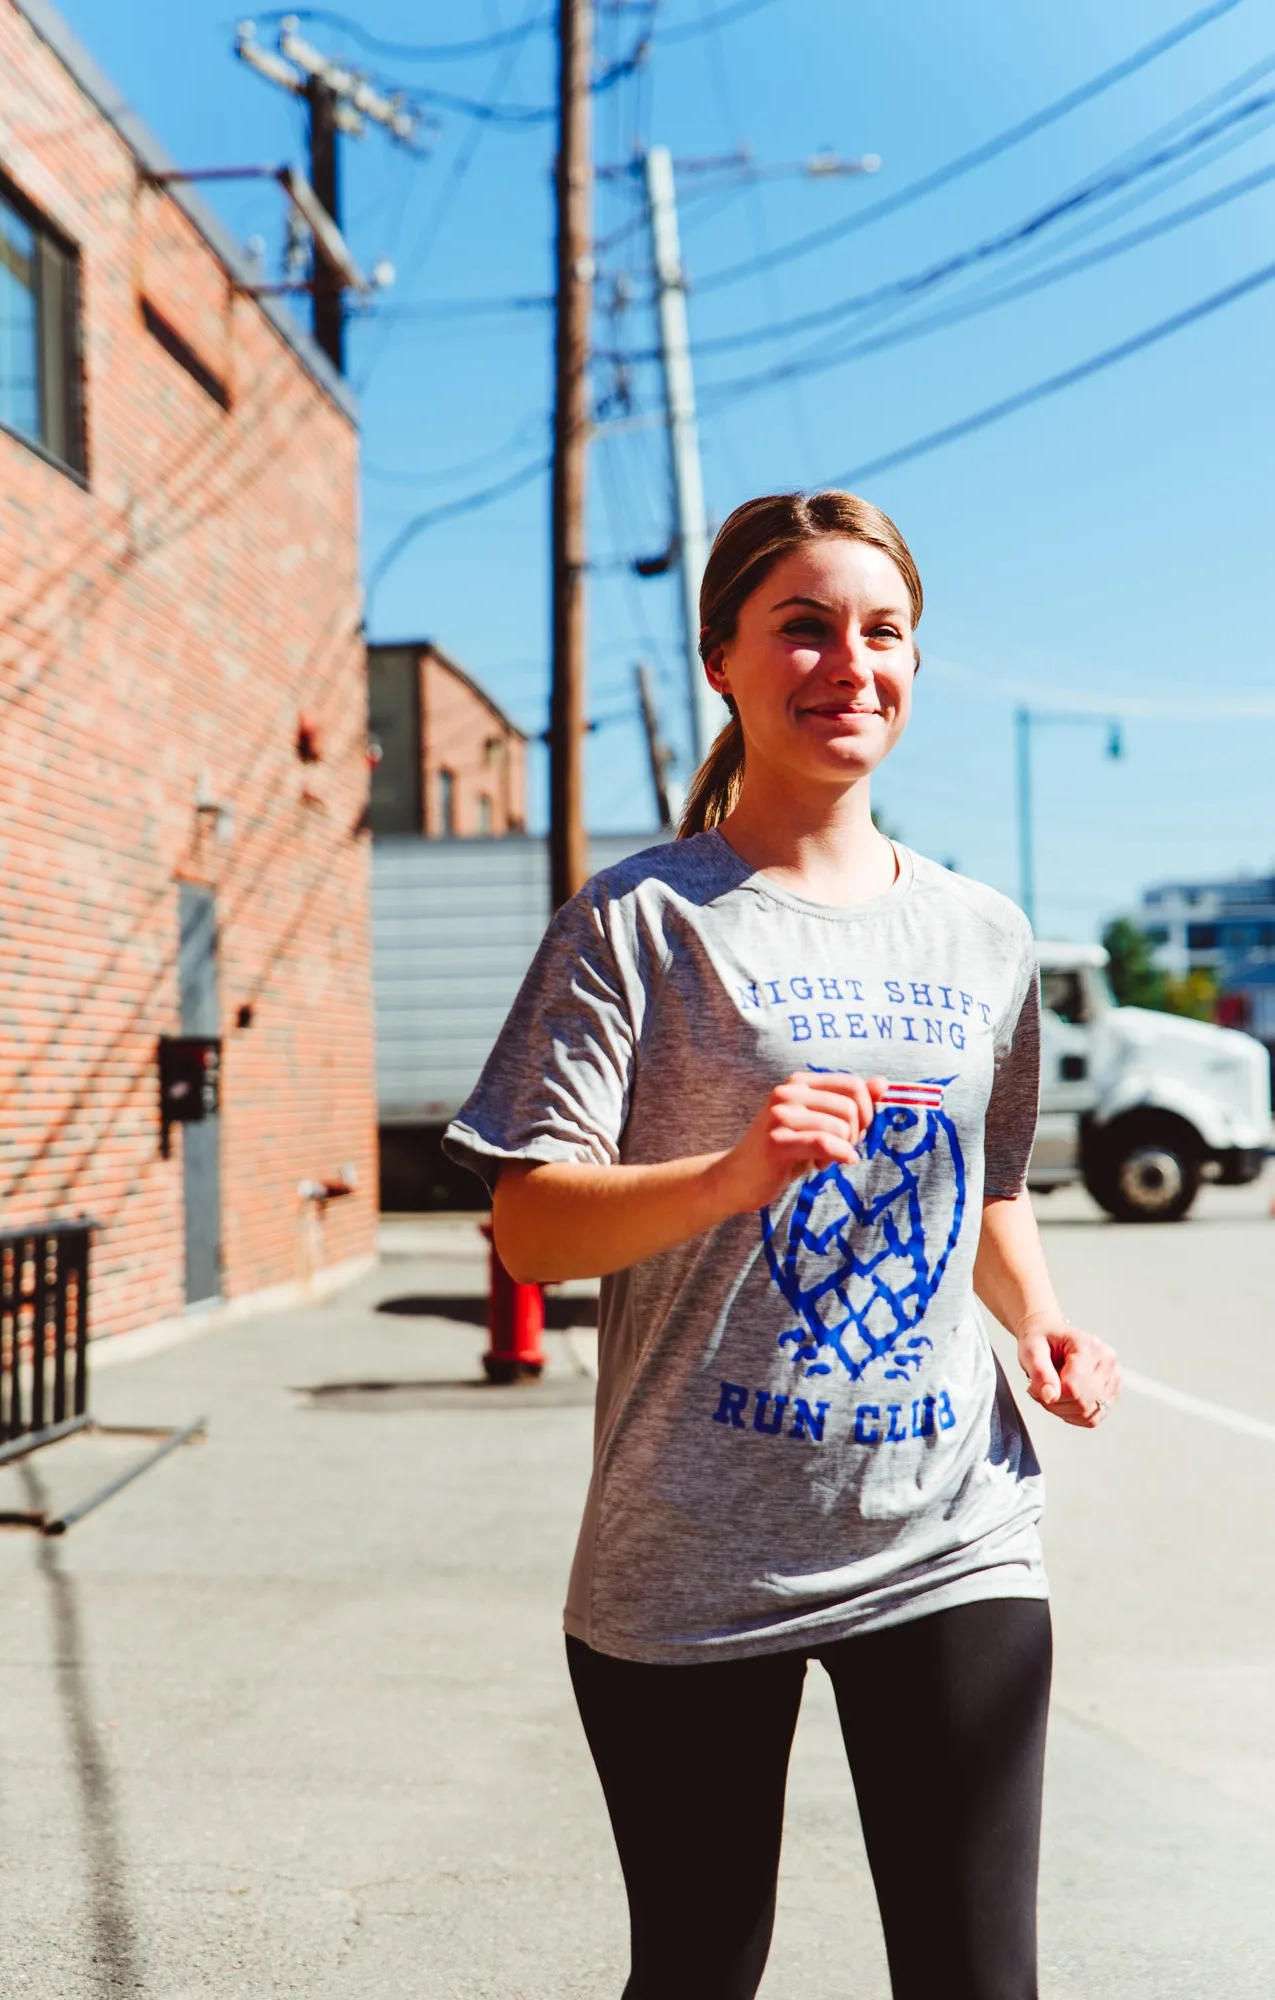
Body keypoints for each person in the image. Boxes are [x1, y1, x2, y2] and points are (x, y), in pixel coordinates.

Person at [444, 490, 1120, 2000]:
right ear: (722, 662)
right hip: (691, 1552)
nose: (847, 663)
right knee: (695, 1972)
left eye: (881, 633)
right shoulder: (639, 924)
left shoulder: (980, 932)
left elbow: (986, 1188)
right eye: (802, 626)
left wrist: (1041, 1323)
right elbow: (530, 1223)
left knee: (978, 1982)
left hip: (950, 1527)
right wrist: (732, 1174)